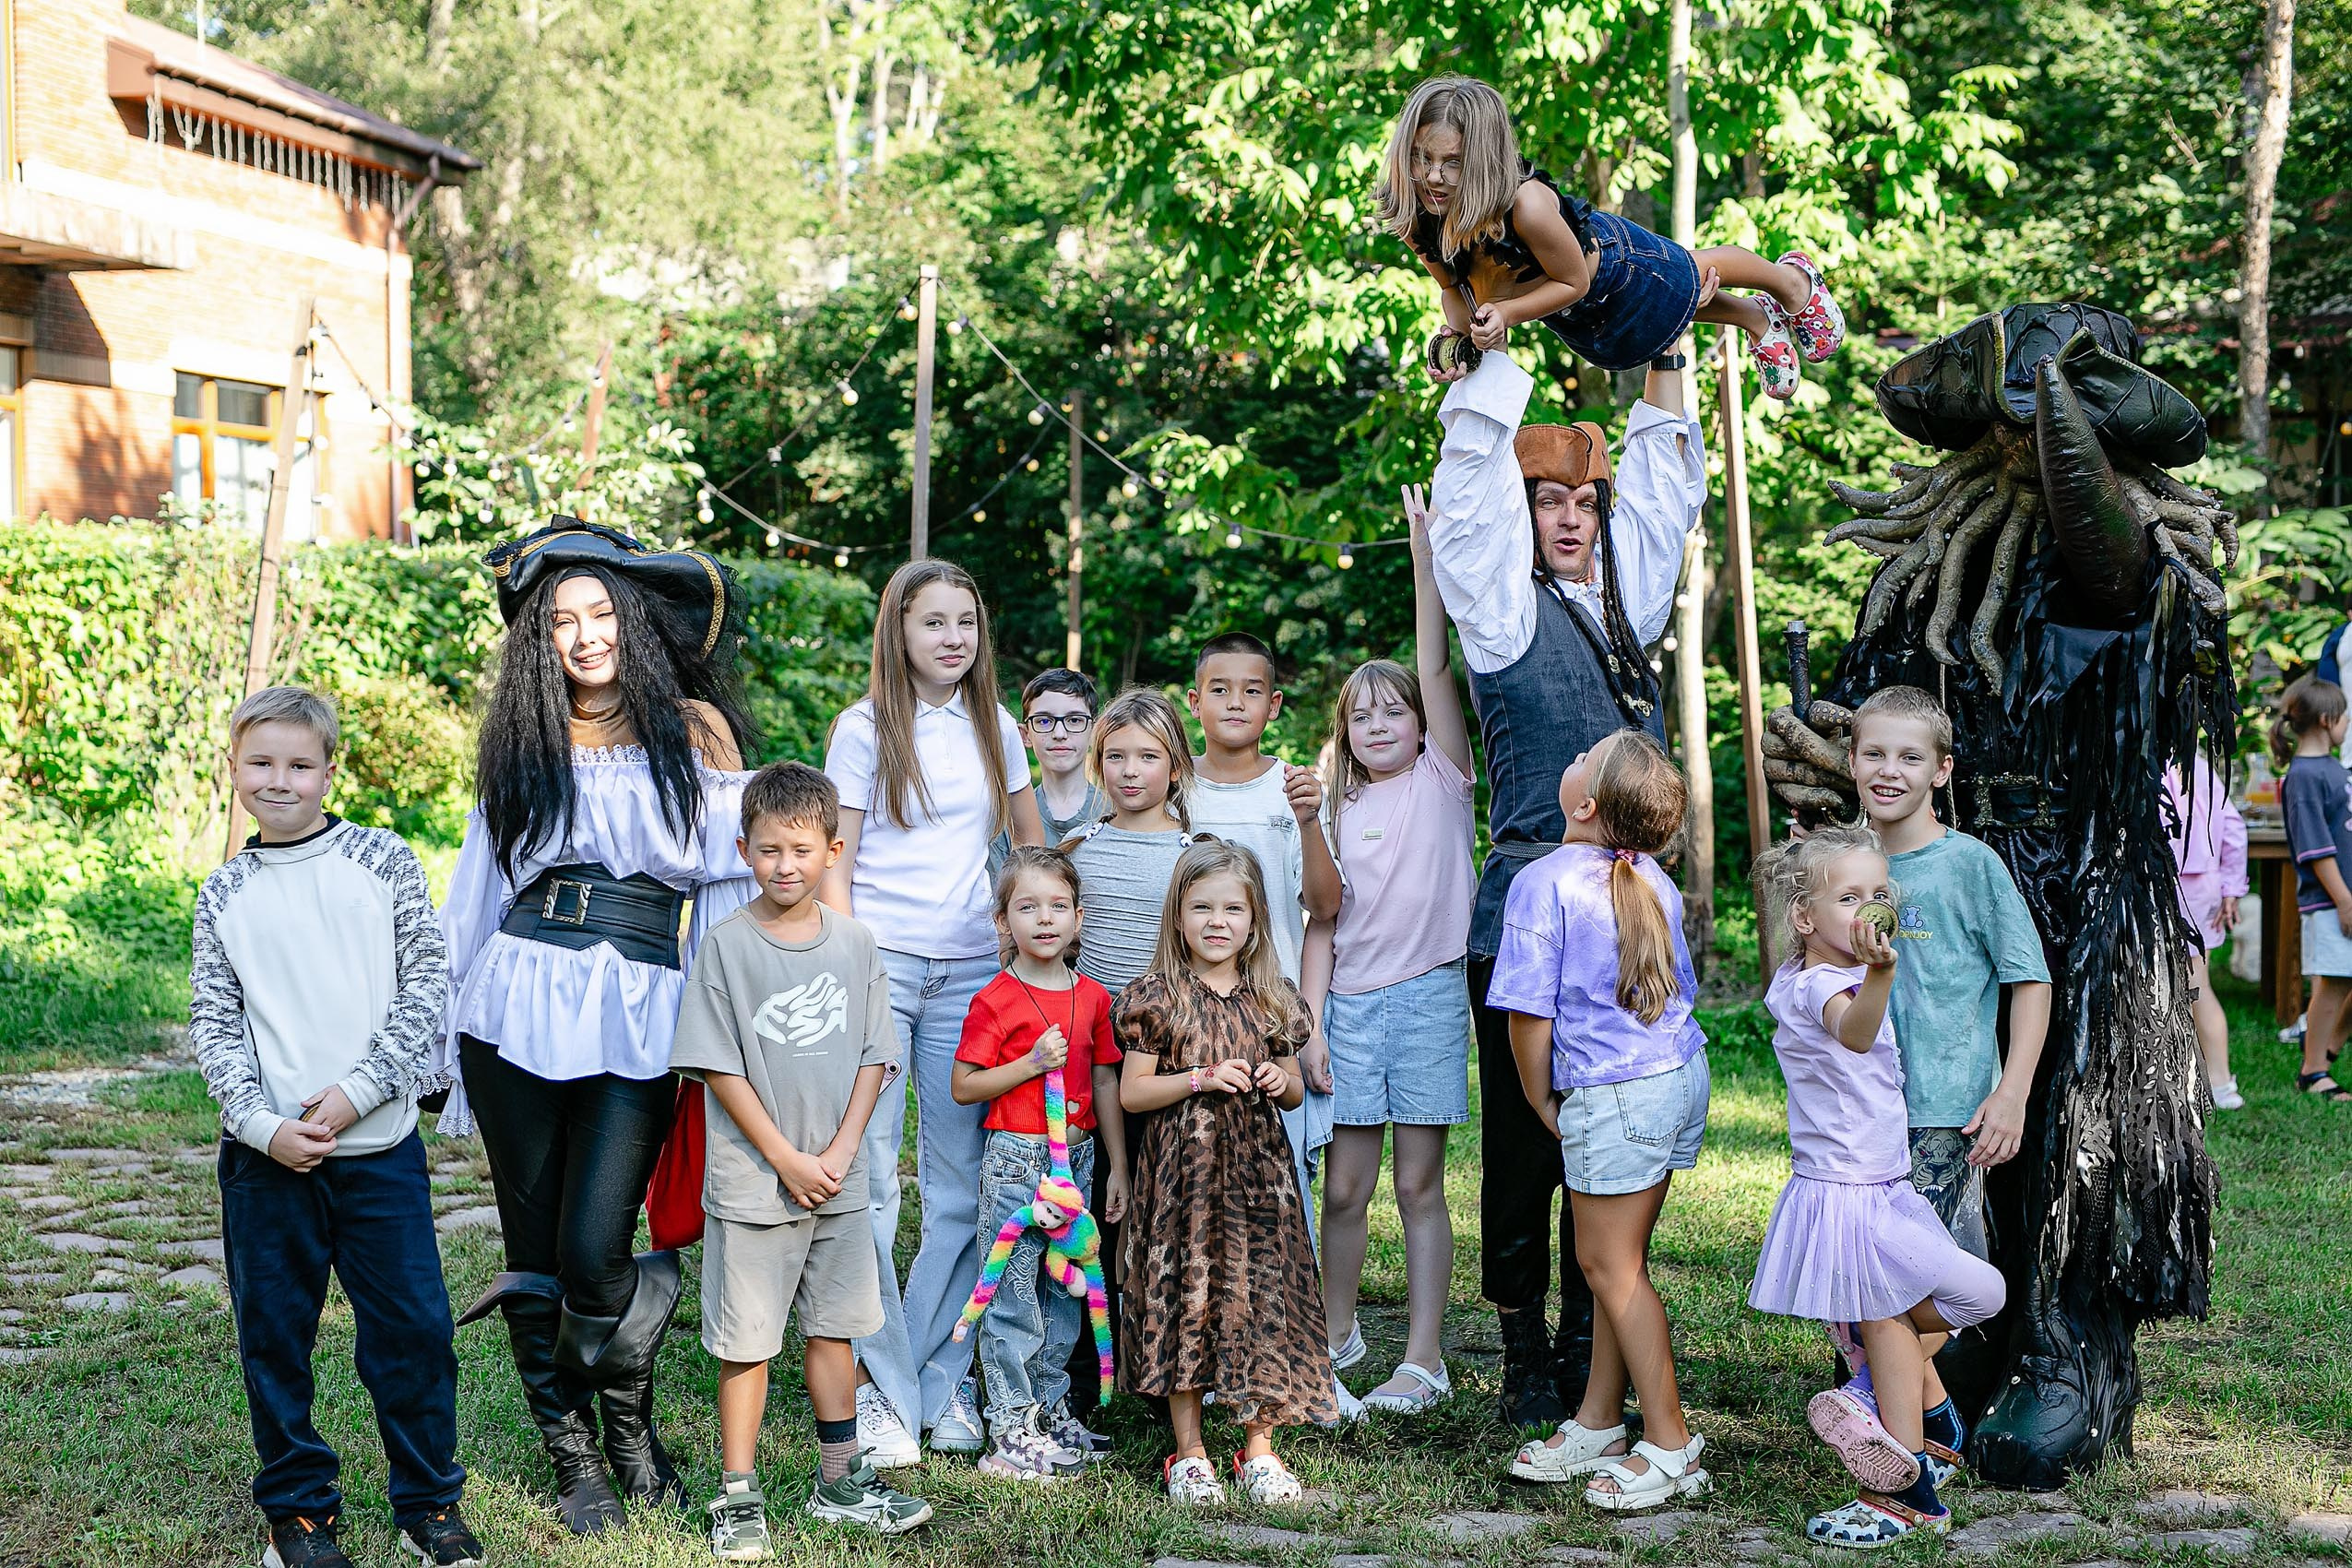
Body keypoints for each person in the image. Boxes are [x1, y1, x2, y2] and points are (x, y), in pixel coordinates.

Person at [437, 518, 756, 1533]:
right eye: (563, 620)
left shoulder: (693, 729)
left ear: (634, 622)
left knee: (596, 1246)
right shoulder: (523, 741)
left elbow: (742, 871)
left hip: (642, 1007)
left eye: (600, 613)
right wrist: (439, 1038)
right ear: (543, 639)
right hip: (517, 999)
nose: (584, 635)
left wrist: (744, 1013)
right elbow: (477, 892)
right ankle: (576, 1457)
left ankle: (629, 1428)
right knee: (535, 1249)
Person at [1420, 336, 1705, 1429]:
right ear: (1522, 512)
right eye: (1549, 500)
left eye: (1587, 498)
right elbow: (1468, 492)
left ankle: (1597, 1333)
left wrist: (1669, 339)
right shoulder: (1497, 604)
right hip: (1528, 911)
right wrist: (1488, 362)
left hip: (1632, 914)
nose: (1572, 516)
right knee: (1524, 1141)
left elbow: (1669, 477)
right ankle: (1522, 1342)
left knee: (1617, 1124)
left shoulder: (1633, 599)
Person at [190, 686, 481, 1568]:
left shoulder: (382, 861)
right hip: (268, 1160)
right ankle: (299, 1511)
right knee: (275, 1336)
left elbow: (426, 988)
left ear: (328, 770)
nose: (279, 781)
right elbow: (216, 1020)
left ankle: (428, 1502)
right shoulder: (225, 892)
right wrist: (258, 1122)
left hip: (378, 1150)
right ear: (234, 770)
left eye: (299, 764)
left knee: (414, 1331)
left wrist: (357, 1091)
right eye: (260, 763)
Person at [671, 762, 931, 1556]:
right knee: (746, 1339)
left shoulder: (855, 945)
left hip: (838, 1180)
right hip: (756, 1183)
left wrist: (843, 1150)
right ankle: (738, 1494)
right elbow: (719, 1067)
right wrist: (786, 1156)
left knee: (836, 1330)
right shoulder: (724, 946)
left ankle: (840, 1482)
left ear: (833, 850)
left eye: (803, 850)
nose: (787, 866)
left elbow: (874, 1057)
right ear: (743, 848)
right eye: (770, 850)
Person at [820, 559, 1048, 1463]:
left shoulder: (997, 726)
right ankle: (879, 1390)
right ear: (900, 632)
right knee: (872, 1187)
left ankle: (937, 1383)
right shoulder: (864, 727)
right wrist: (846, 963)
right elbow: (837, 859)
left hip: (969, 978)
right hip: (880, 966)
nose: (953, 637)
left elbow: (1033, 849)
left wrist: (1019, 939)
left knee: (962, 1191)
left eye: (966, 621)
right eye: (933, 623)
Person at [1747, 825, 2009, 1550]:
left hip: (1882, 1185)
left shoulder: (1826, 972)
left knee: (1979, 1294)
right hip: (1848, 1193)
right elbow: (1855, 1032)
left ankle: (1917, 1414)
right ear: (1805, 920)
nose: (1870, 907)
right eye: (1849, 897)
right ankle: (1904, 1492)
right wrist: (1883, 975)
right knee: (1893, 1321)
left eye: (1879, 894)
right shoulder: (1820, 988)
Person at [1491, 730, 1712, 1515]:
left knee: (1611, 1270)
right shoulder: (1648, 874)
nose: (1572, 752)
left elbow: (1527, 1017)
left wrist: (1540, 1099)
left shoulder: (1542, 880)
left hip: (1617, 1095)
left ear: (1586, 803)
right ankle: (1596, 1420)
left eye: (1584, 754)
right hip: (1676, 1077)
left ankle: (1672, 1443)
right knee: (1622, 1264)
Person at [1298, 490, 1475, 1415]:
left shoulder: (1444, 779)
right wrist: (1313, 1024)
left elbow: (1435, 658)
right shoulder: (1338, 806)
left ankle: (1424, 1356)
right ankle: (1332, 1338)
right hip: (1352, 1007)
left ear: (1417, 724)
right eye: (1360, 716)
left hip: (1429, 997)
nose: (1377, 725)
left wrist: (1423, 547)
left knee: (1417, 1182)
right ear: (1345, 732)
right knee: (1345, 1188)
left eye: (1392, 711)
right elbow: (1321, 925)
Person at [1377, 75, 1844, 399]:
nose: (1433, 176)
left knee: (1689, 272)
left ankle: (1788, 282)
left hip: (1613, 270)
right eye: (1421, 158)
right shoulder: (1419, 214)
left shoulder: (1529, 206)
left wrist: (1506, 312)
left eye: (1453, 162)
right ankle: (1755, 320)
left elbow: (1574, 281)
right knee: (1668, 317)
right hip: (1570, 312)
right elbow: (1452, 290)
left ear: (1483, 159)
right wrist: (1460, 343)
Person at [1115, 839, 1336, 1504]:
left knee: (1258, 1300)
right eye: (1202, 907)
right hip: (1181, 1185)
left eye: (1232, 908)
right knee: (1184, 1298)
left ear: (1255, 919)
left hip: (1256, 1188)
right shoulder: (1157, 997)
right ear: (1178, 916)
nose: (1217, 921)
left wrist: (1279, 1077)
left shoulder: (1272, 1000)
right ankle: (1189, 1452)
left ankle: (1260, 1450)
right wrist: (1200, 1079)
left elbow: (1296, 1087)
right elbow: (1133, 1094)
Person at [1847, 687, 2051, 1249]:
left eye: (1910, 758)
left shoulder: (1970, 865)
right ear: (1851, 761)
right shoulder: (1837, 864)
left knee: (1924, 1274)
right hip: (1853, 1102)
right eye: (1874, 754)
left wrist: (2013, 1093)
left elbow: (2030, 981)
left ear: (1942, 770)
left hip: (1942, 1107)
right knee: (1858, 1269)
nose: (1889, 772)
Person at [951, 847, 1131, 1479]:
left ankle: (1054, 1409)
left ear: (1079, 917)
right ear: (1005, 921)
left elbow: (1107, 1085)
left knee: (1063, 1293)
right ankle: (1011, 1427)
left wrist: (1118, 1169)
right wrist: (1029, 1065)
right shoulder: (997, 999)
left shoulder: (1096, 998)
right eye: (1028, 907)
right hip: (1017, 1162)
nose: (1044, 919)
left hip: (1076, 1160)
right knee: (1012, 1293)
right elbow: (964, 1086)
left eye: (1058, 907)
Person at [1183, 635, 1341, 1254]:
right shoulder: (1175, 788)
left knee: (1279, 1183)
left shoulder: (1291, 788)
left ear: (1273, 704)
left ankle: (1280, 1323)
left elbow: (1325, 906)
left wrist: (1307, 822)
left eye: (1251, 691)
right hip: (1188, 1011)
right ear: (1194, 701)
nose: (1234, 703)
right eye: (1219, 690)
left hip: (1270, 1015)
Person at [1067, 687, 1200, 996]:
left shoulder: (1193, 856)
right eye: (1115, 756)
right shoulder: (1078, 846)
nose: (1130, 771)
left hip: (1165, 1028)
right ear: (1099, 765)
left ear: (1176, 767)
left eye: (1148, 757)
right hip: (1088, 1026)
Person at [2275, 674, 2352, 1101]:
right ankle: (2313, 1070)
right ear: (2326, 720)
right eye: (2343, 718)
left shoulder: (2333, 768)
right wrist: (2343, 900)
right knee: (2335, 982)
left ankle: (2327, 1050)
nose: (2346, 726)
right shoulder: (2303, 777)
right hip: (2332, 900)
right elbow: (2316, 849)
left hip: (2347, 896)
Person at [2165, 754, 2249, 1109]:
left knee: (2194, 987)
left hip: (2178, 888)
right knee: (2191, 985)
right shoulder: (2198, 764)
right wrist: (2230, 887)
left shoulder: (2149, 762)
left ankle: (2220, 1081)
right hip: (2205, 888)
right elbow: (2233, 827)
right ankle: (2196, 1073)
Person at [990, 668, 1111, 880]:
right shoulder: (1006, 821)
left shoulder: (1115, 812)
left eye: (1074, 720)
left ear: (1094, 731)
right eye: (1044, 721)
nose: (1060, 734)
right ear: (1025, 735)